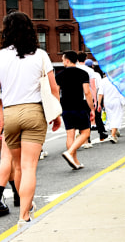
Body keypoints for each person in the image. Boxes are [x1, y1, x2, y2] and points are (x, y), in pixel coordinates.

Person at [0, 12, 62, 228]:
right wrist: (56, 114)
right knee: (29, 167)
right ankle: (23, 216)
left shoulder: (0, 56)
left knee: (17, 166)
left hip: (10, 113)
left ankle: (25, 205)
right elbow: (53, 89)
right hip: (34, 112)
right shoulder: (41, 55)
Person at [56, 50, 94, 170]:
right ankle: (70, 152)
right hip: (79, 106)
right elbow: (87, 92)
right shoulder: (82, 73)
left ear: (67, 60)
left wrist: (57, 109)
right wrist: (92, 108)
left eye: (62, 59)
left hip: (65, 108)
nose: (62, 62)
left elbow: (56, 94)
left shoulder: (59, 75)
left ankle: (75, 161)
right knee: (85, 133)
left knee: (70, 134)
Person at [97, 75, 125, 143]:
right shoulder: (118, 79)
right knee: (117, 117)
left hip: (107, 101)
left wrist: (99, 104)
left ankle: (114, 132)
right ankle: (113, 135)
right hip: (116, 100)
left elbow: (100, 93)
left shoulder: (103, 81)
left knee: (110, 118)